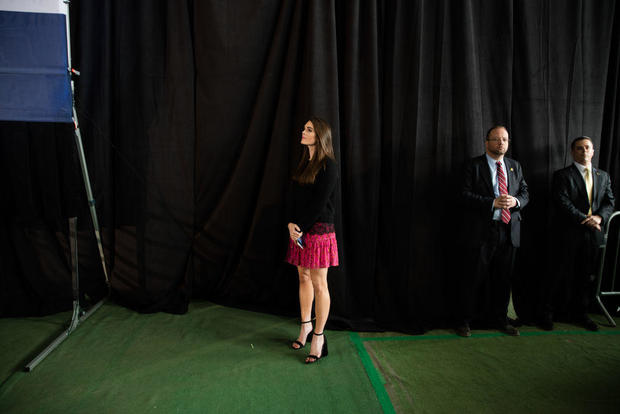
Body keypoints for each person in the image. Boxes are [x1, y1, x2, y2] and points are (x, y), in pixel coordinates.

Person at [456, 125, 529, 337]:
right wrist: (492, 203)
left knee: (503, 279)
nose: (501, 143)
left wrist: (515, 201)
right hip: (481, 232)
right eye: (496, 139)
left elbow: (525, 192)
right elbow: (462, 194)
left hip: (508, 231)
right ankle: (463, 321)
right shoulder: (473, 166)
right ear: (486, 142)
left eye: (505, 139)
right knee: (472, 278)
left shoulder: (515, 166)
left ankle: (500, 319)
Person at [543, 136, 615, 331]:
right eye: (579, 149)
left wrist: (599, 218)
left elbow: (609, 202)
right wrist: (586, 219)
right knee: (558, 273)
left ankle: (581, 314)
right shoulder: (562, 175)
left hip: (593, 234)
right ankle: (548, 314)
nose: (584, 152)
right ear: (573, 152)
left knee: (585, 276)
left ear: (593, 151)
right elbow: (562, 201)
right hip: (568, 233)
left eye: (587, 148)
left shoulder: (603, 176)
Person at [286, 117, 339, 363]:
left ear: (319, 136)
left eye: (308, 129)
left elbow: (319, 204)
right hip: (300, 230)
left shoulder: (328, 165)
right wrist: (291, 223)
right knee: (303, 276)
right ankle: (305, 326)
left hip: (318, 231)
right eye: (304, 128)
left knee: (320, 283)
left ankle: (318, 337)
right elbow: (295, 199)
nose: (303, 131)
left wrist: (300, 227)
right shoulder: (303, 163)